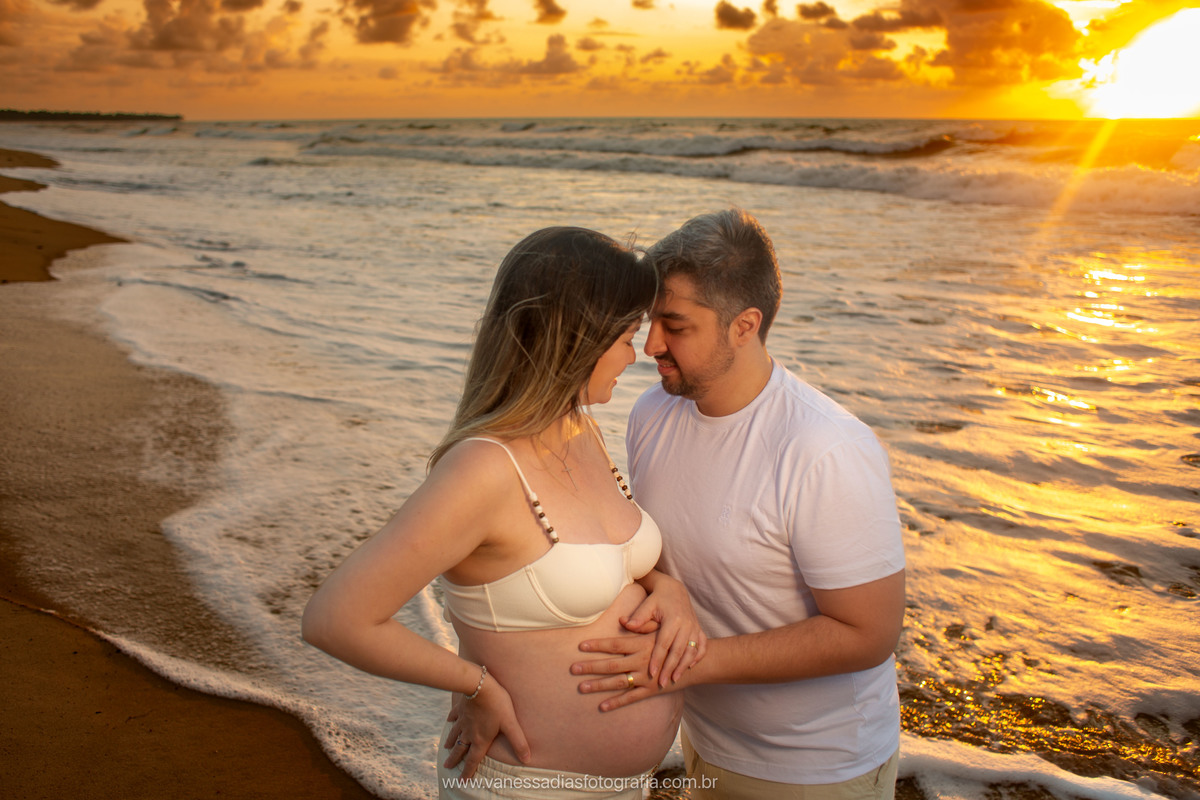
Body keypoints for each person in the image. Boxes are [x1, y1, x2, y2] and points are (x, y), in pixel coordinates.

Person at [302, 226, 706, 800]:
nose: (637, 353)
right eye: (625, 336)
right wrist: (476, 683)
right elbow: (334, 618)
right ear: (576, 339)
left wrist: (669, 589)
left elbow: (604, 554)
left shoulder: (580, 429)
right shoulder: (483, 470)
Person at [571, 209, 906, 799]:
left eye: (675, 324)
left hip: (816, 769)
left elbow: (869, 633)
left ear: (744, 325)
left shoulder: (823, 448)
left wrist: (684, 666)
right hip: (702, 739)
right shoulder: (655, 413)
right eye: (651, 321)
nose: (651, 344)